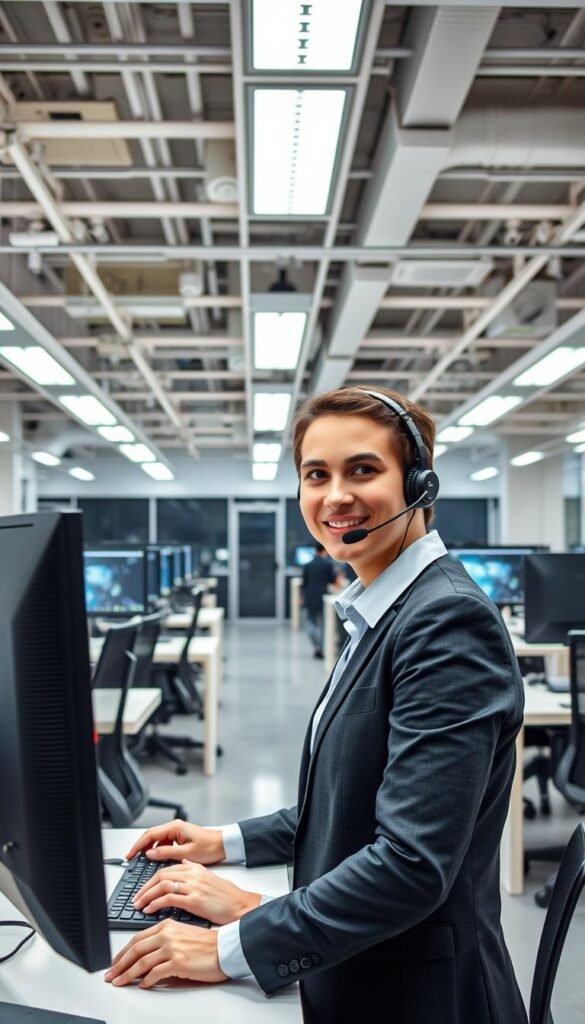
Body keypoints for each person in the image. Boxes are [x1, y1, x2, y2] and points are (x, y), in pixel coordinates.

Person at [105, 385, 528, 1024]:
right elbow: (355, 793)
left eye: (363, 470)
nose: (335, 496)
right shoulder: (382, 607)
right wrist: (224, 840)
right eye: (315, 475)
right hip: (365, 966)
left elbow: (412, 864)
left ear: (420, 484)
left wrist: (229, 946)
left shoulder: (444, 621)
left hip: (419, 997)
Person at [301, 542, 341, 658]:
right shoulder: (327, 565)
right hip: (323, 598)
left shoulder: (307, 565)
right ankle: (323, 647)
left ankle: (317, 646)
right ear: (325, 550)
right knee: (324, 625)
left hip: (310, 597)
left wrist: (302, 598)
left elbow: (304, 584)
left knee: (311, 623)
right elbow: (334, 582)